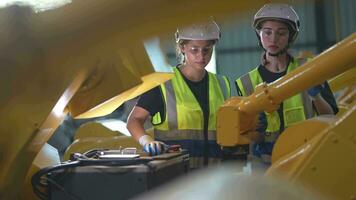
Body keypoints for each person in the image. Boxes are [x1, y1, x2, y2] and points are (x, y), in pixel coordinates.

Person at [235, 4, 338, 163]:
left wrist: (316, 96)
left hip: (306, 160)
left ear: (291, 36)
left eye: (281, 33)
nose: (273, 39)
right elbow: (243, 135)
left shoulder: (309, 69)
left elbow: (331, 117)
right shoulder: (245, 83)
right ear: (259, 34)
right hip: (266, 165)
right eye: (267, 32)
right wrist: (256, 134)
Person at [127, 21, 231, 168]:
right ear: (182, 47)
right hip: (175, 176)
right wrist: (146, 141)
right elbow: (134, 120)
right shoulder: (164, 83)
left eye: (206, 50)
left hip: (211, 176)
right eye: (194, 50)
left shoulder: (222, 84)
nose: (201, 56)